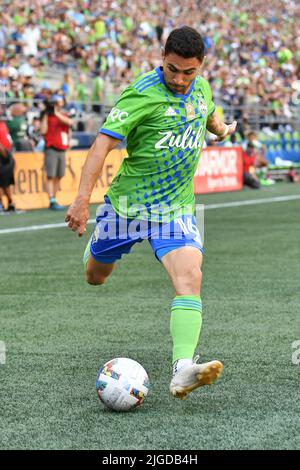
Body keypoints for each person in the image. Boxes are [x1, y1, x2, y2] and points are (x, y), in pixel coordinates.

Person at [66, 27, 237, 399]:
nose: (179, 79)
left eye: (187, 72)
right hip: (127, 207)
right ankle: (97, 245)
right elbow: (100, 147)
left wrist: (221, 130)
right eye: (172, 69)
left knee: (190, 276)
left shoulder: (202, 89)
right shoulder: (142, 94)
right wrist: (82, 199)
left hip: (175, 208)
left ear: (200, 67)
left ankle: (182, 369)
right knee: (96, 277)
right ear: (162, 57)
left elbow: (208, 115)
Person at [41, 94, 74, 210]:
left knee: (59, 175)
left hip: (62, 149)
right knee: (51, 175)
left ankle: (54, 198)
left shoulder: (63, 115)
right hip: (51, 148)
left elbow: (70, 123)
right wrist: (46, 115)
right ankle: (51, 200)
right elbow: (43, 131)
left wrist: (56, 114)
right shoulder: (48, 116)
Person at [0, 119, 15, 212]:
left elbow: (8, 140)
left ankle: (10, 203)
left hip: (5, 156)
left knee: (6, 182)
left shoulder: (3, 124)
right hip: (3, 155)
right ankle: (1, 204)